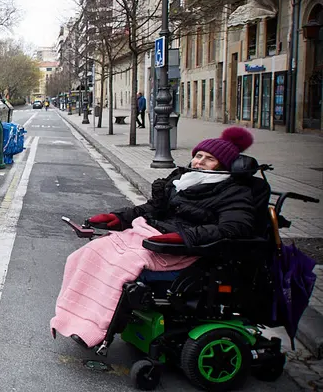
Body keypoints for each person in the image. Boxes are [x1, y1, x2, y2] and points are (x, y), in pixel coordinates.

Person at [51, 126, 256, 347]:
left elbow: (234, 228)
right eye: (198, 156)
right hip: (155, 236)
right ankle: (73, 319)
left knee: (120, 266)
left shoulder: (234, 191)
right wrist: (118, 218)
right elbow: (152, 209)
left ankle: (96, 329)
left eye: (209, 159)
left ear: (224, 165)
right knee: (89, 252)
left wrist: (182, 237)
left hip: (185, 249)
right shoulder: (183, 180)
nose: (199, 162)